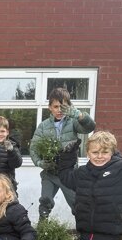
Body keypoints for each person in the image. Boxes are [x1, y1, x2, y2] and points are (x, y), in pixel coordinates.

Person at [30, 88, 95, 219]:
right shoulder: (43, 126)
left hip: (69, 173)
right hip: (50, 173)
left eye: (63, 107)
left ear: (69, 106)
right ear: (49, 108)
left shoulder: (73, 122)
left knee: (77, 204)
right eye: (56, 107)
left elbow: (90, 127)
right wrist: (40, 162)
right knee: (45, 202)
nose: (59, 110)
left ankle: (85, 234)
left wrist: (78, 114)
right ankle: (43, 233)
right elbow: (34, 147)